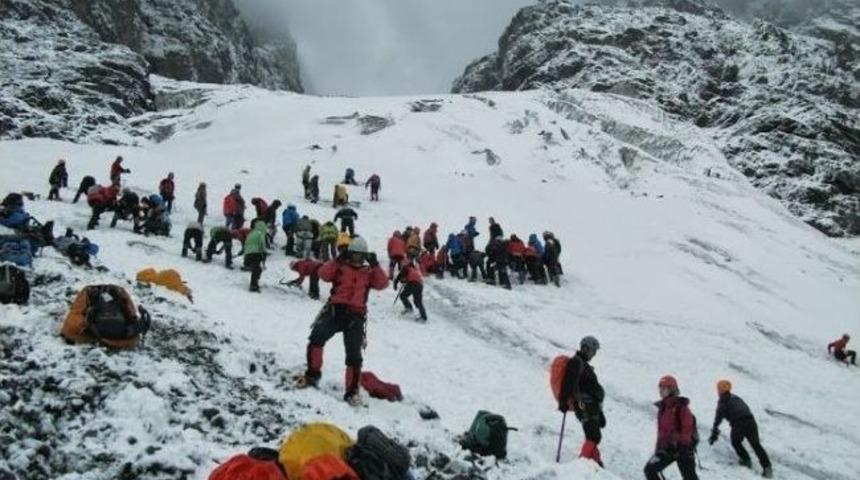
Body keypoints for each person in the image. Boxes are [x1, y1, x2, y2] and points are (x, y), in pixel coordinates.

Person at [295, 236, 389, 406]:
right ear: (349, 254)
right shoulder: (340, 267)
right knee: (316, 337)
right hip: (335, 312)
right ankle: (312, 375)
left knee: (354, 355)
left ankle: (352, 392)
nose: (357, 259)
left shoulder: (368, 273)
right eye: (354, 255)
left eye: (361, 256)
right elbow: (323, 274)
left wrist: (375, 265)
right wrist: (337, 260)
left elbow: (382, 284)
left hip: (355, 317)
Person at [708, 380, 772, 478]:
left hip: (739, 423)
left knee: (736, 442)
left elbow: (718, 418)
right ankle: (767, 467)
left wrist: (714, 432)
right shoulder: (736, 398)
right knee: (756, 444)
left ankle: (746, 460)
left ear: (719, 390)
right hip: (751, 421)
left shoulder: (723, 401)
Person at [557, 336, 605, 466]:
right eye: (593, 351)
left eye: (595, 352)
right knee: (593, 435)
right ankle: (582, 465)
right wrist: (563, 401)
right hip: (582, 404)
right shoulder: (576, 362)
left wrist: (599, 413)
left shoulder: (583, 364)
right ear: (585, 348)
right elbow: (568, 383)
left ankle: (595, 463)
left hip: (591, 405)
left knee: (593, 434)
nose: (594, 354)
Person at [644, 375, 699, 480]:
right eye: (660, 388)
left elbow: (687, 427)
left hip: (683, 449)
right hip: (667, 449)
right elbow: (661, 432)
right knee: (650, 469)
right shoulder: (663, 408)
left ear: (672, 389)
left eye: (664, 388)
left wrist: (683, 446)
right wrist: (658, 449)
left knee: (689, 477)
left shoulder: (681, 407)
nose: (661, 391)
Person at [243, 220, 268, 292]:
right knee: (256, 269)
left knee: (257, 269)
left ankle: (256, 281)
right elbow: (262, 243)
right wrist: (264, 252)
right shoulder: (260, 233)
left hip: (248, 253)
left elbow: (246, 243)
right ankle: (253, 285)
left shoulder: (250, 234)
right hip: (256, 253)